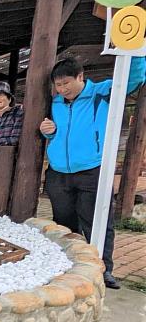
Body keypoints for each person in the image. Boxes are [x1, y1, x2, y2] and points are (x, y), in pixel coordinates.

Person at [41, 56, 146, 289]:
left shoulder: (103, 92)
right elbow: (57, 132)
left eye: (66, 83)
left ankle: (103, 269)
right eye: (58, 85)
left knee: (97, 221)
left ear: (81, 76)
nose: (62, 89)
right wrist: (48, 132)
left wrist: (134, 47)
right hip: (59, 171)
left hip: (92, 169)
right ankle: (68, 265)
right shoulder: (56, 102)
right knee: (64, 222)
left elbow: (135, 78)